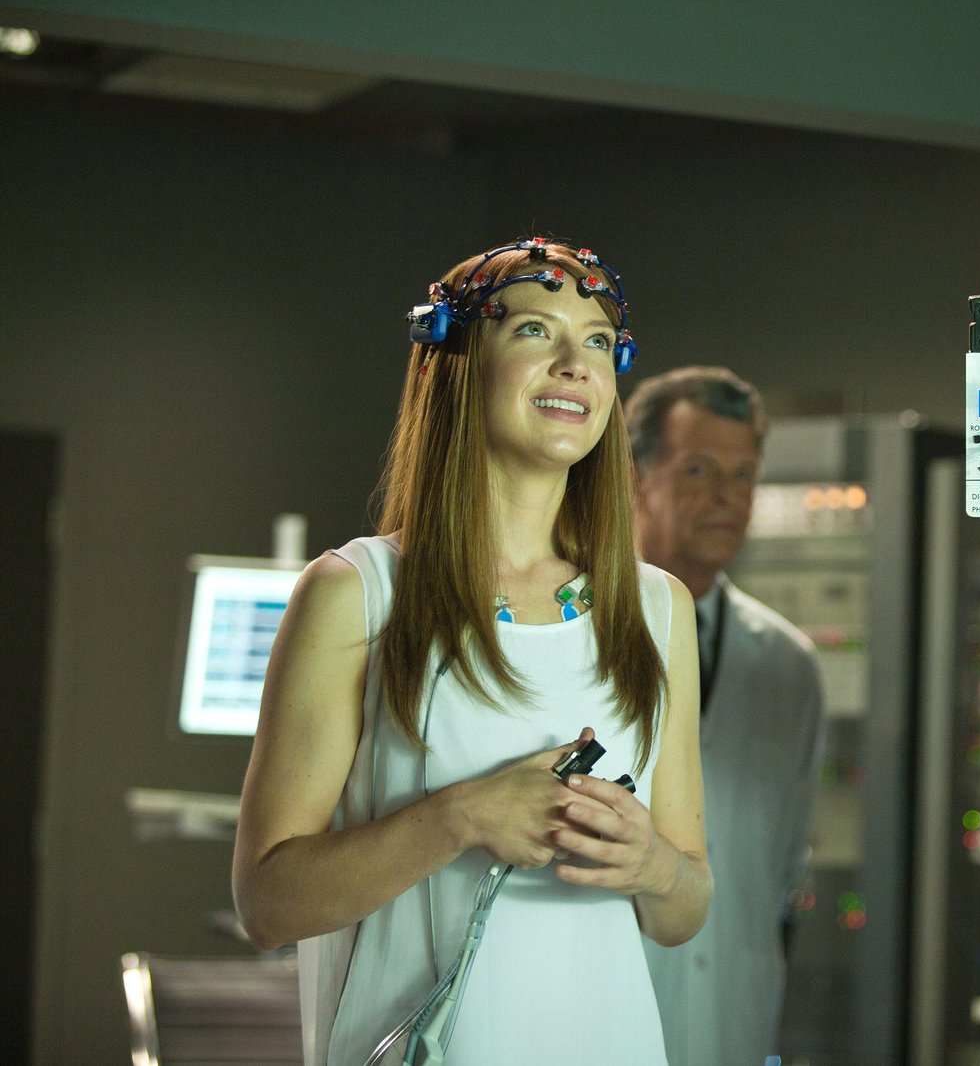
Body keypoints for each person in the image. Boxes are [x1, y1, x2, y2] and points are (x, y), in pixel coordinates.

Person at [231, 238, 710, 1065]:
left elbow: (686, 907)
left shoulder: (658, 608)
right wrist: (464, 816)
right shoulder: (357, 592)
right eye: (534, 330)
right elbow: (268, 902)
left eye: (599, 341)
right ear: (456, 361)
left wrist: (654, 866)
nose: (575, 364)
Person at [624, 366, 826, 1066]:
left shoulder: (790, 666)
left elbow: (785, 867)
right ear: (634, 479)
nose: (727, 498)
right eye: (699, 470)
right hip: (603, 1010)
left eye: (744, 476)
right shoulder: (571, 631)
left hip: (734, 1020)